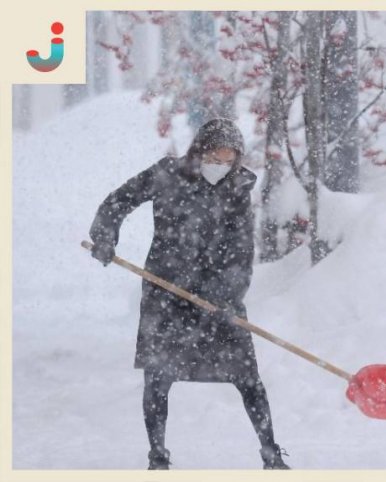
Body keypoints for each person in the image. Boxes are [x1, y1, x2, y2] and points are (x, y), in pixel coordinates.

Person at [88, 118, 289, 470]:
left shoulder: (237, 189)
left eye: (228, 160)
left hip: (217, 300)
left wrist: (228, 298)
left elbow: (241, 252)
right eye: (215, 157)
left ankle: (271, 453)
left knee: (247, 377)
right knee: (158, 376)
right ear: (199, 151)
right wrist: (105, 237)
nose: (220, 166)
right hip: (166, 293)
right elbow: (119, 200)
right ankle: (158, 456)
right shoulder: (168, 174)